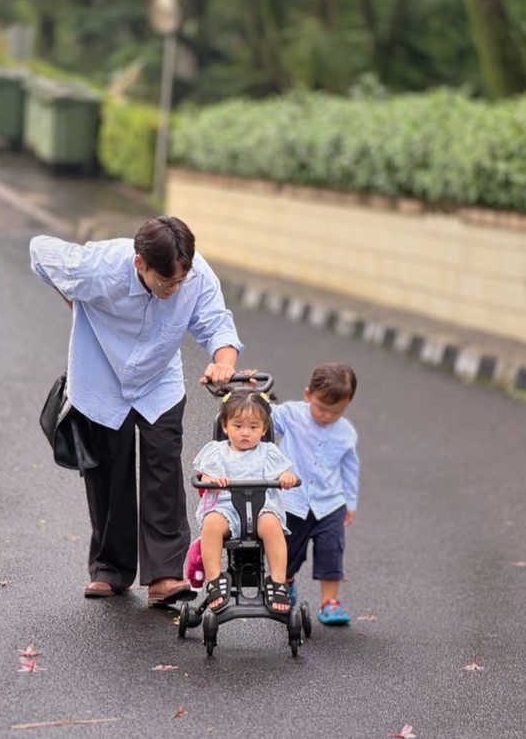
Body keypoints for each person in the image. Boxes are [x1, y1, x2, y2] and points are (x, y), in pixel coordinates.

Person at [29, 216, 242, 607]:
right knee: (109, 473)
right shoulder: (99, 266)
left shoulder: (194, 276)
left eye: (180, 280)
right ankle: (110, 570)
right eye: (166, 282)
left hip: (158, 381)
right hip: (102, 378)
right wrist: (76, 302)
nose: (175, 288)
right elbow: (40, 251)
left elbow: (216, 324)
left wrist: (223, 361)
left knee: (163, 467)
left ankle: (164, 575)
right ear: (140, 264)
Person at [193, 388, 298, 614]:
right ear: (224, 426)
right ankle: (214, 580)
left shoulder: (268, 452)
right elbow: (205, 476)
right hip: (226, 509)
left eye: (253, 427)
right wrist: (212, 479)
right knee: (211, 524)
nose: (245, 433)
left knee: (272, 525)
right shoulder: (216, 452)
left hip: (261, 510)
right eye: (238, 426)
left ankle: (278, 582)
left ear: (264, 428)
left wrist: (286, 477)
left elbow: (282, 472)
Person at [271, 363, 359, 625]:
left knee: (332, 549)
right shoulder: (290, 414)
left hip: (329, 503)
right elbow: (262, 417)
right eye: (321, 407)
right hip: (293, 501)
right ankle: (285, 582)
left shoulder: (346, 433)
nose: (327, 416)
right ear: (308, 394)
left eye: (337, 411)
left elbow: (349, 469)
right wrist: (254, 394)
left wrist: (349, 502)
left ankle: (329, 602)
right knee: (287, 551)